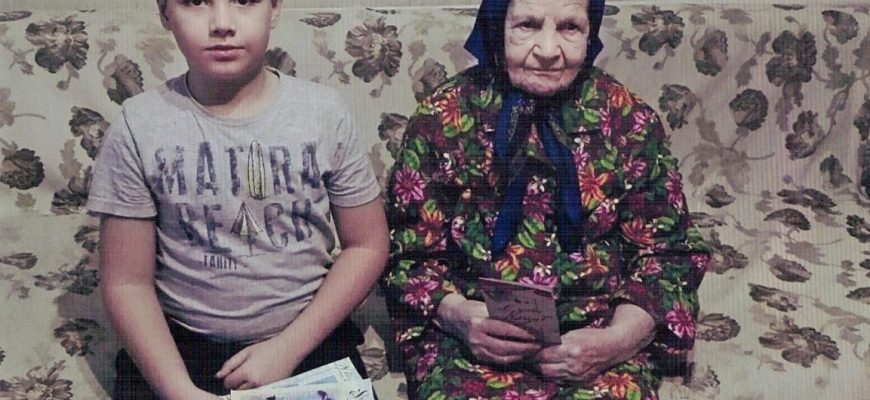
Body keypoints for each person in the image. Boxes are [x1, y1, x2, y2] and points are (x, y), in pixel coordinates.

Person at [382, 0, 710, 398]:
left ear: (591, 32)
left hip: (598, 342)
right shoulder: (441, 117)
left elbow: (669, 253)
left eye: (570, 27)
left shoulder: (628, 119)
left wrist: (617, 341)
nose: (549, 50)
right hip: (470, 344)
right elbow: (407, 253)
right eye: (528, 25)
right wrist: (460, 317)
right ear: (497, 26)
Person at [86, 0, 389, 398]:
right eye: (195, 2)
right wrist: (180, 391)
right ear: (164, 13)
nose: (222, 24)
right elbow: (127, 282)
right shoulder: (137, 125)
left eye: (244, 1)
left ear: (274, 8)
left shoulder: (324, 113)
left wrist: (287, 348)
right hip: (178, 348)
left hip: (306, 336)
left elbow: (367, 245)